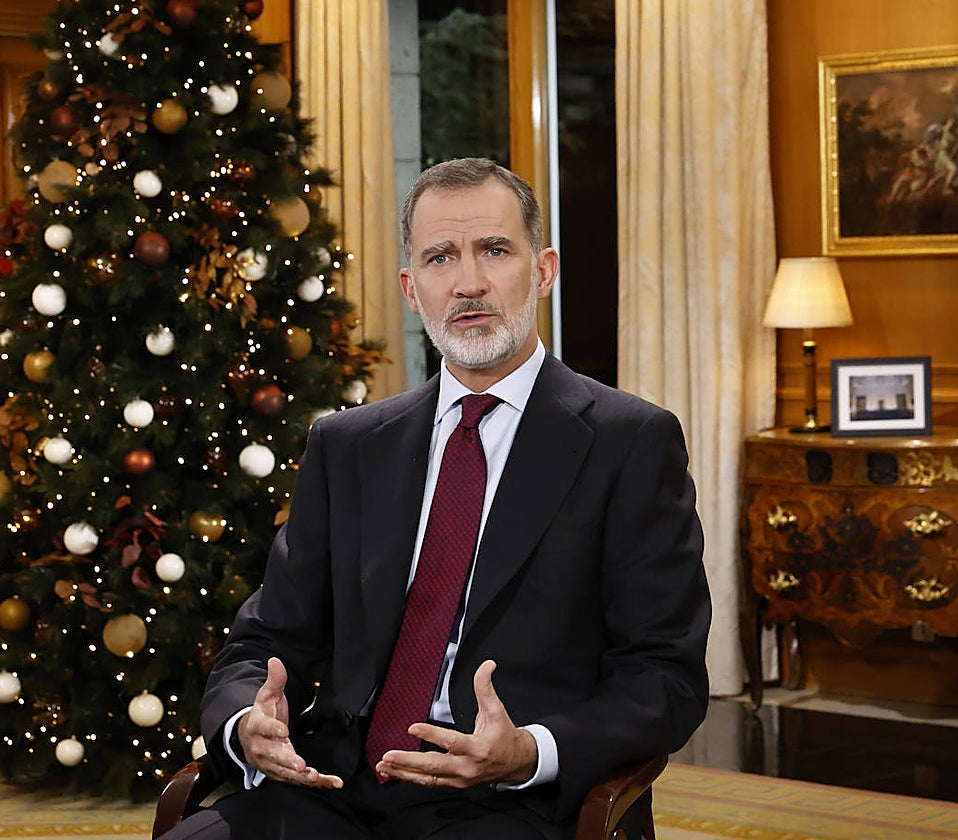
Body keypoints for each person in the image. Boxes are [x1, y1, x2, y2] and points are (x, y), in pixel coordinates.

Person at [160, 157, 711, 839]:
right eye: (441, 257)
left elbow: (666, 678)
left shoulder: (630, 442)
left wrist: (527, 751)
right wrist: (249, 723)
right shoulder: (348, 444)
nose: (469, 282)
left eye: (495, 250)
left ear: (542, 271)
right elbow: (267, 638)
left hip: (512, 804)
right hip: (334, 783)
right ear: (412, 289)